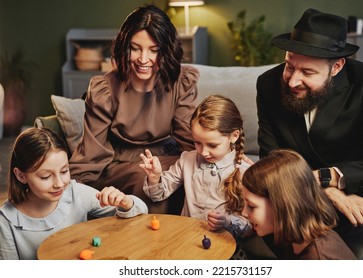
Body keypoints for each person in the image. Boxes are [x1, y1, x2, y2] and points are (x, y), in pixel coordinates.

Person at [256, 8, 363, 259]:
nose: (293, 81)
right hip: (296, 189)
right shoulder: (267, 83)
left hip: (355, 184)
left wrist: (337, 177)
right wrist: (325, 189)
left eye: (307, 73)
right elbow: (271, 159)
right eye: (289, 66)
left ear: (336, 67)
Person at [69, 5, 199, 214]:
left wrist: (227, 161)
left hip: (167, 157)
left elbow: (190, 141)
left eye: (154, 50)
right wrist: (72, 192)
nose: (143, 59)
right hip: (121, 164)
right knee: (149, 181)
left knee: (187, 173)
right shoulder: (105, 89)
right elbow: (92, 152)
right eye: (135, 48)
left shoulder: (180, 82)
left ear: (166, 50)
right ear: (124, 46)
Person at [0, 127, 148, 260]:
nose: (59, 183)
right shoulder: (6, 220)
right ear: (21, 176)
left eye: (64, 171)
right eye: (45, 176)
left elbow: (141, 213)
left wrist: (126, 203)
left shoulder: (76, 193)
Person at [140, 95, 252, 239]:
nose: (203, 152)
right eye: (197, 143)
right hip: (187, 239)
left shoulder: (245, 172)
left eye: (212, 145)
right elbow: (157, 195)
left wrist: (227, 222)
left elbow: (249, 226)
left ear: (234, 136)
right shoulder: (188, 159)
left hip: (223, 246)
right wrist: (154, 177)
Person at [242, 149, 357, 259]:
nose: (244, 213)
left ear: (283, 204)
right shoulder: (291, 236)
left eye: (252, 206)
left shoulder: (318, 257)